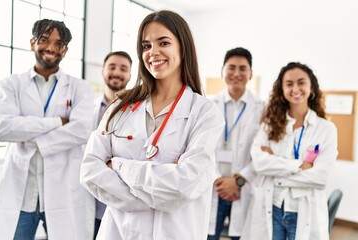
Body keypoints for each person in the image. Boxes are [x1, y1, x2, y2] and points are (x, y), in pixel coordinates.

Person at [80, 10, 225, 240]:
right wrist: (159, 193)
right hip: (118, 232)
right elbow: (89, 171)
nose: (153, 52)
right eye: (146, 46)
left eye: (163, 42)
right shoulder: (120, 106)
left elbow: (182, 185)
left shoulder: (205, 113)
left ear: (183, 47)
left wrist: (118, 166)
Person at [0, 19, 95, 239]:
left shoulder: (79, 88)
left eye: (58, 43)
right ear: (32, 43)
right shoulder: (10, 85)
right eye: (44, 40)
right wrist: (57, 122)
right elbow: (2, 127)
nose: (51, 48)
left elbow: (82, 130)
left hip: (63, 190)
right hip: (22, 194)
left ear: (65, 50)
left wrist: (31, 138)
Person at [241, 62, 338, 240]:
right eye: (289, 84)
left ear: (311, 87)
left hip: (303, 210)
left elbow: (321, 177)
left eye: (301, 82)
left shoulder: (326, 129)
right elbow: (259, 163)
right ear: (282, 90)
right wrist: (301, 165)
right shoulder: (269, 125)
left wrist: (275, 169)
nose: (295, 88)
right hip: (272, 207)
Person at [208, 47, 264, 240]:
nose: (236, 73)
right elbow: (199, 148)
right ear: (222, 71)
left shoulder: (262, 109)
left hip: (244, 188)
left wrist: (237, 182)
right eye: (231, 68)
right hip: (213, 187)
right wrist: (218, 180)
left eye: (243, 68)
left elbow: (264, 154)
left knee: (242, 236)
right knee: (207, 235)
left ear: (251, 73)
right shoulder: (209, 105)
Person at [93, 51, 132, 238]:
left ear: (130, 75)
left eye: (123, 68)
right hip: (88, 198)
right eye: (112, 67)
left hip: (119, 194)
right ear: (103, 72)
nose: (117, 72)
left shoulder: (135, 110)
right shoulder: (88, 109)